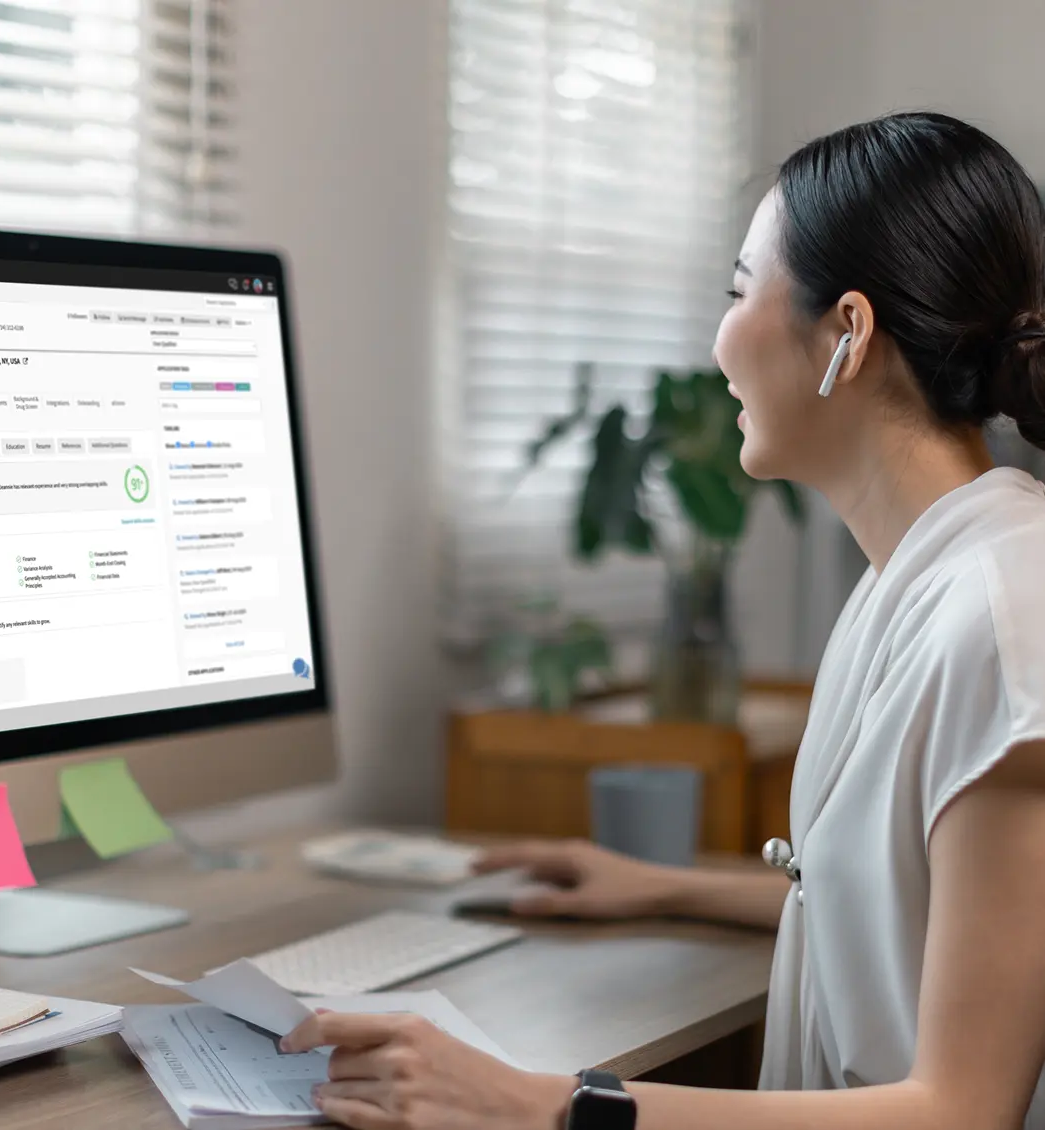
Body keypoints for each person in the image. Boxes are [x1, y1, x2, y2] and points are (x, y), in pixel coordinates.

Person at [281, 110, 1045, 1130]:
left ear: (845, 334)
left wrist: (538, 1102)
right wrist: (655, 882)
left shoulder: (998, 622)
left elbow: (959, 1110)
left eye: (738, 291)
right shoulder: (912, 578)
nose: (720, 339)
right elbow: (912, 911)